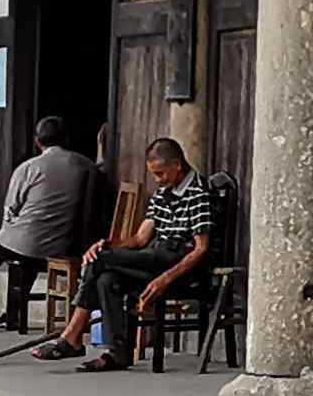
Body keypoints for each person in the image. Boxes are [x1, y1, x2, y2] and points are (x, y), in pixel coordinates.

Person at [50, 136, 214, 372]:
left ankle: (72, 336)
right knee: (107, 279)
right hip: (156, 255)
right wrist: (108, 244)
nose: (158, 180)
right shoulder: (161, 193)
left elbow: (201, 249)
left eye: (161, 173)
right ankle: (118, 352)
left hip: (179, 262)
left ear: (177, 165)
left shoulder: (198, 192)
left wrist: (164, 279)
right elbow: (139, 239)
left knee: (100, 261)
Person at [0, 114, 98, 332]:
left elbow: (11, 208)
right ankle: (14, 313)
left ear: (38, 141)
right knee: (29, 260)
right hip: (62, 241)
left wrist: (12, 225)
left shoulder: (30, 167)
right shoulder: (86, 165)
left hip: (25, 239)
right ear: (67, 139)